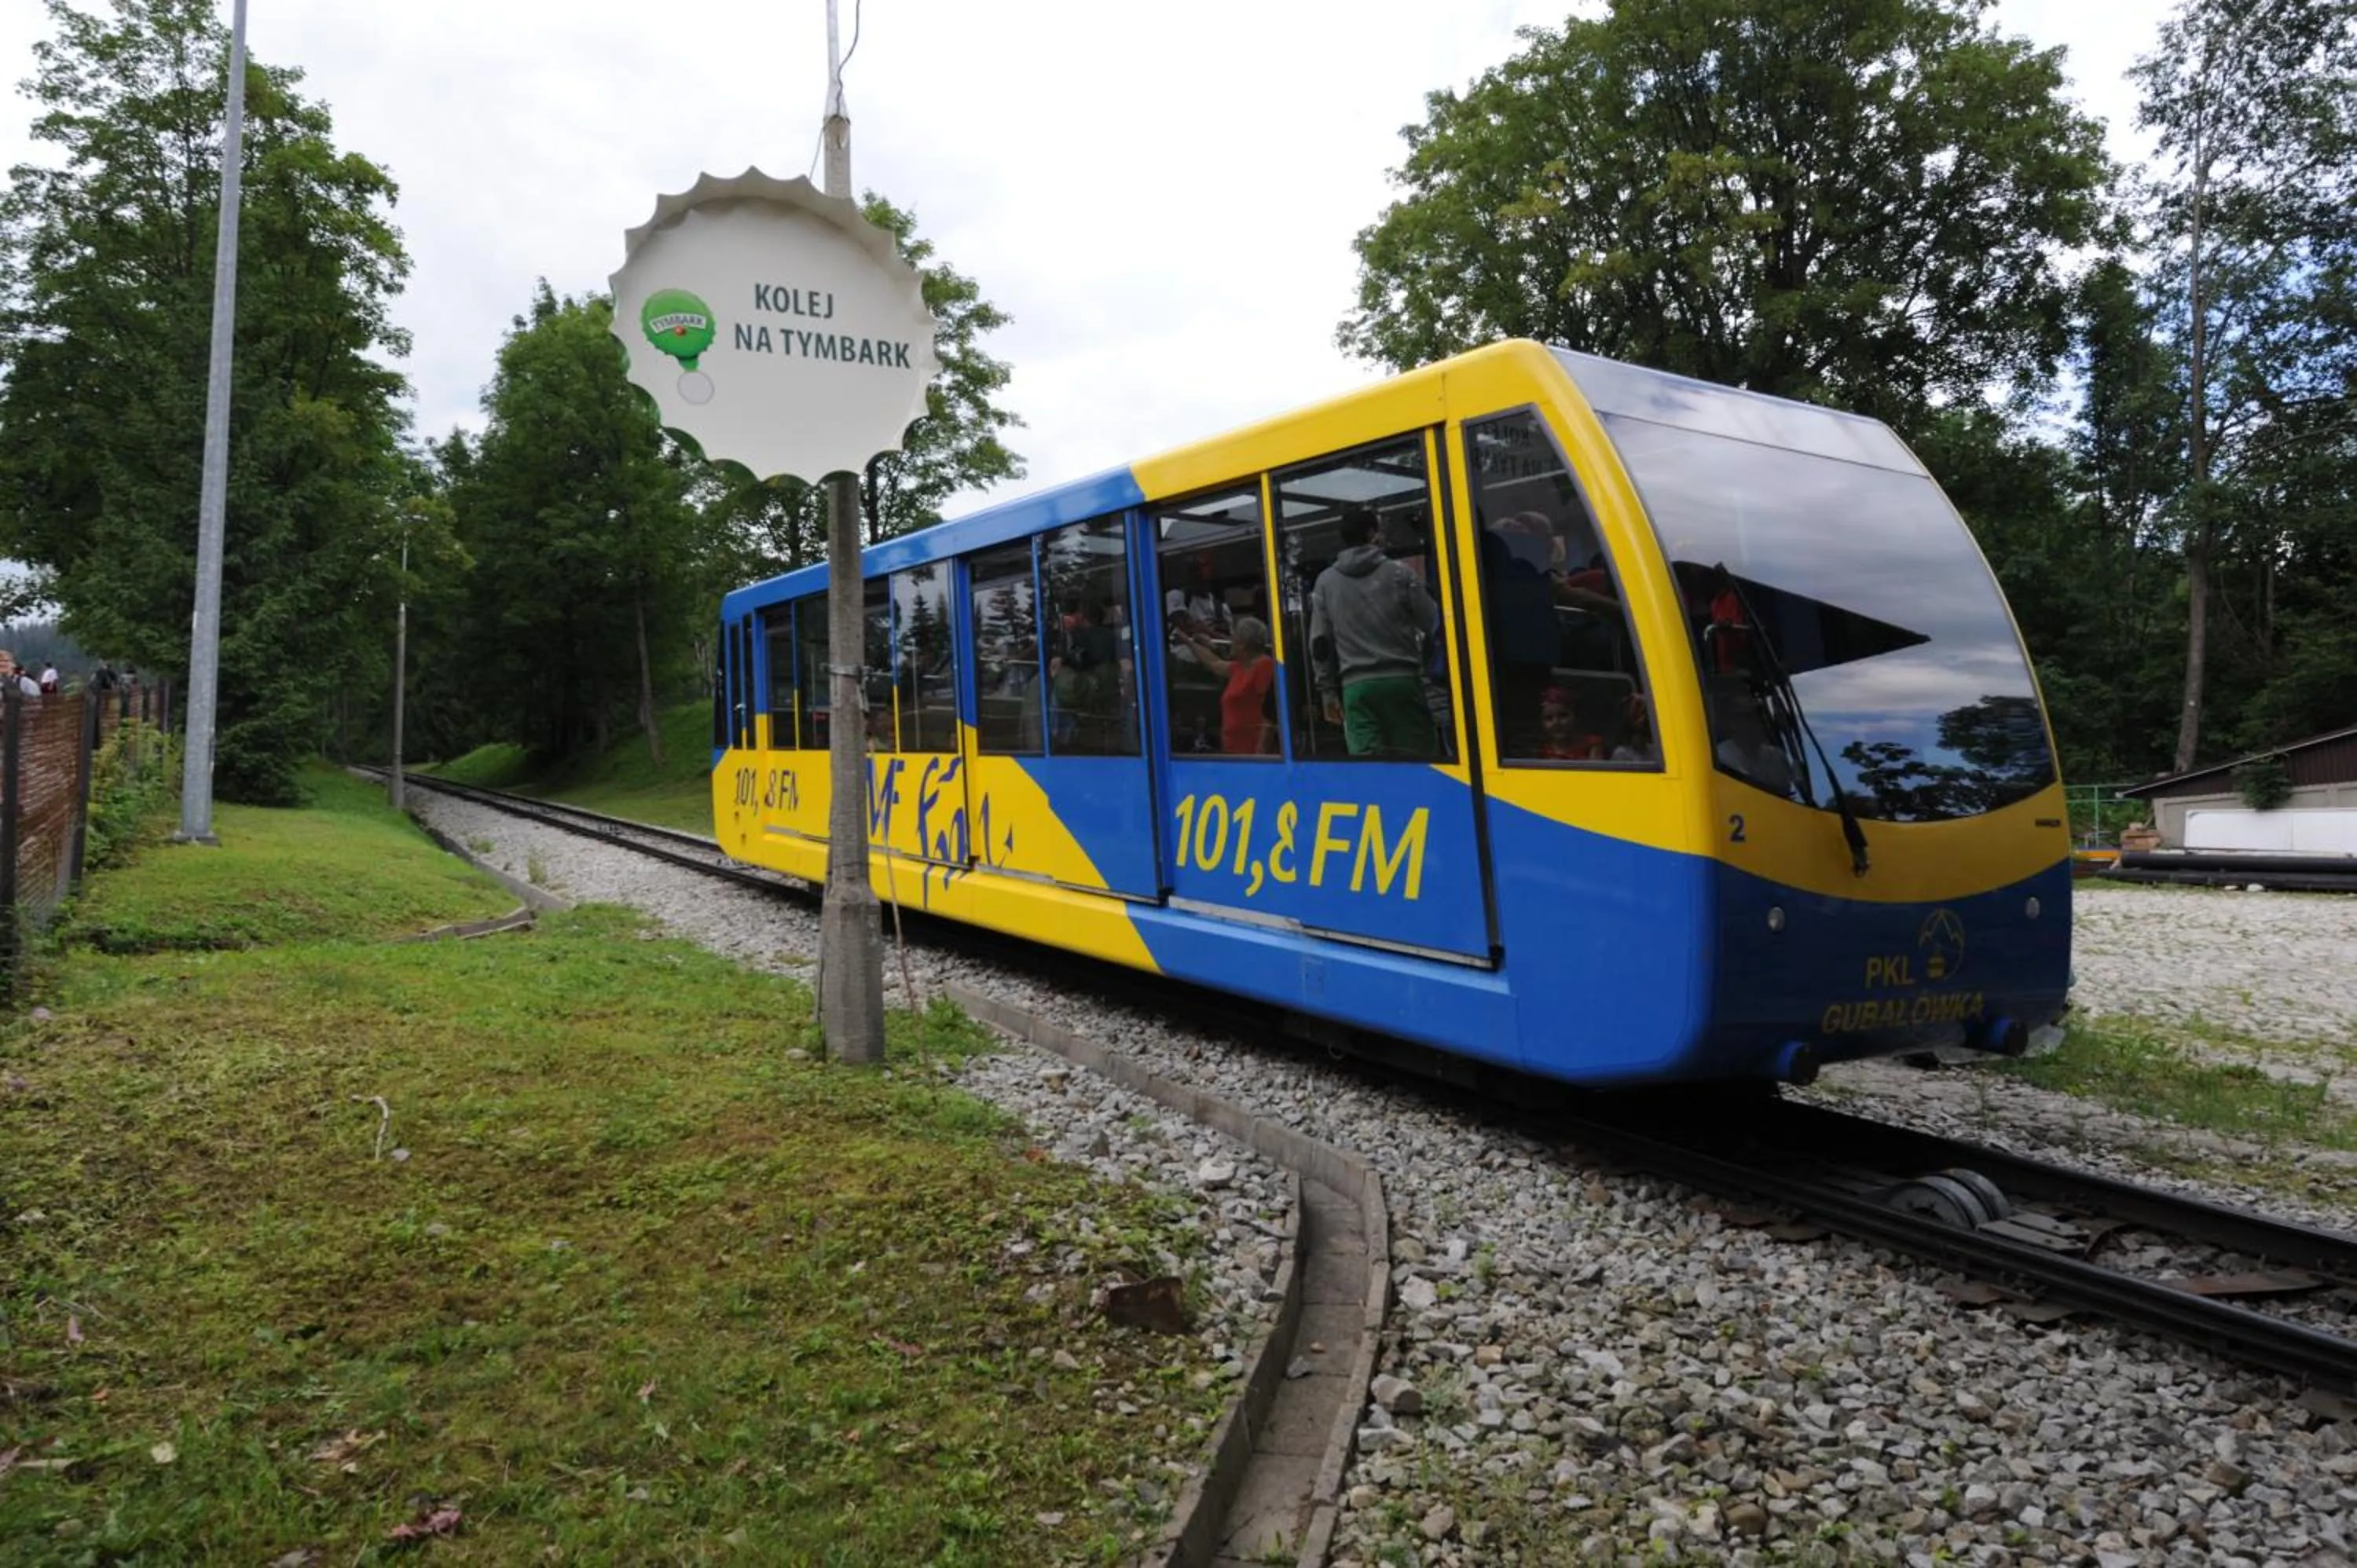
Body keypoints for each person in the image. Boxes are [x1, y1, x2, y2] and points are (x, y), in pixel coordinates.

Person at [1310, 505, 1439, 759]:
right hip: (1403, 682)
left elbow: (1320, 643)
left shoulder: (1325, 582)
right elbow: (1434, 623)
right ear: (1372, 534)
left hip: (1356, 689)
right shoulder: (1401, 574)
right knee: (1416, 762)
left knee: (1369, 767)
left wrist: (1327, 690)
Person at [1174, 614, 1277, 755]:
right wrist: (1189, 642)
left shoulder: (1264, 666)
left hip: (1252, 750)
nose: (1231, 641)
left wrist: (1261, 749)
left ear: (1244, 643)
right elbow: (1214, 663)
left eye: (1234, 637)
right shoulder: (1239, 668)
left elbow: (1269, 712)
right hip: (1233, 748)